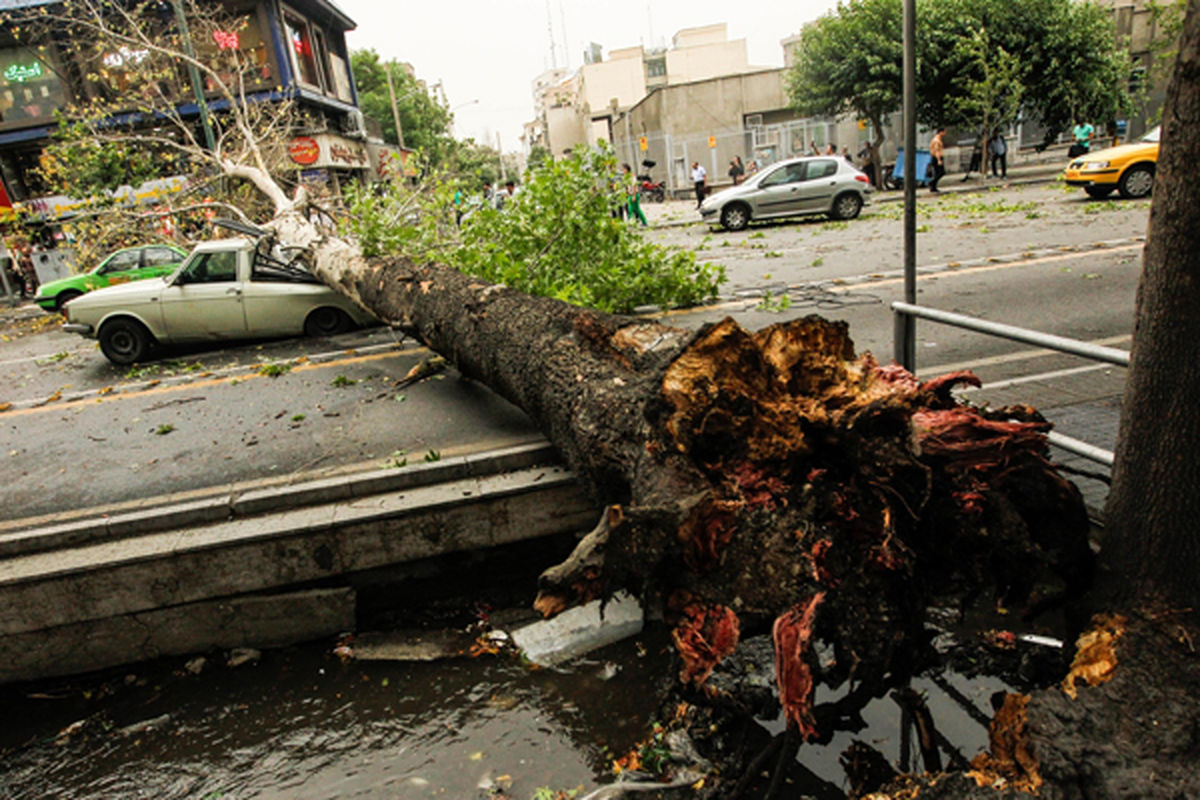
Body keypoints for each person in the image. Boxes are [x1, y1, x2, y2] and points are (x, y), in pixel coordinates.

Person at [928, 128, 946, 193]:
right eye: (944, 132)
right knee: (940, 172)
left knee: (938, 172)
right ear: (940, 132)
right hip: (936, 158)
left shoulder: (937, 140)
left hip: (936, 157)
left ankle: (933, 186)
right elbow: (937, 150)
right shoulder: (937, 141)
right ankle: (932, 183)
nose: (945, 133)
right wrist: (939, 160)